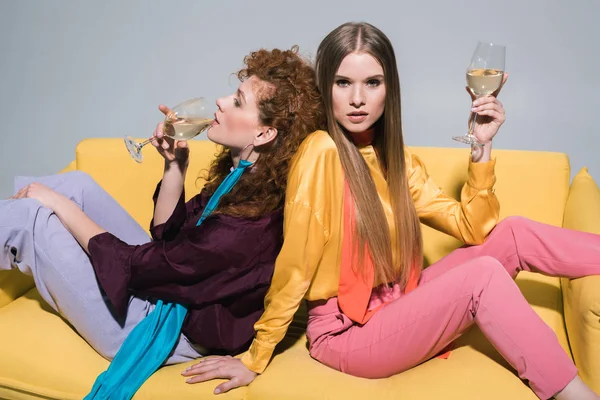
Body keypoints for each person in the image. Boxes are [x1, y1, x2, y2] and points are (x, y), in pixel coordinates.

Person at [184, 23, 600, 400]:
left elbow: (473, 228)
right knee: (482, 276)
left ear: (390, 89)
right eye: (343, 82)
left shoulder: (396, 160)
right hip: (346, 332)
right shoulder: (320, 152)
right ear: (325, 88)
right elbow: (296, 265)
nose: (358, 99)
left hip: (400, 303)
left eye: (372, 82)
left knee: (513, 234)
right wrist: (255, 357)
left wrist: (482, 144)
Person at [0, 46, 325, 398]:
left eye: (237, 101)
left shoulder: (246, 229)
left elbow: (138, 266)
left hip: (166, 328)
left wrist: (56, 205)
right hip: (173, 296)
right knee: (78, 185)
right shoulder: (248, 181)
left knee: (34, 218)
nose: (221, 100)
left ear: (263, 134)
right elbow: (169, 238)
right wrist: (174, 166)